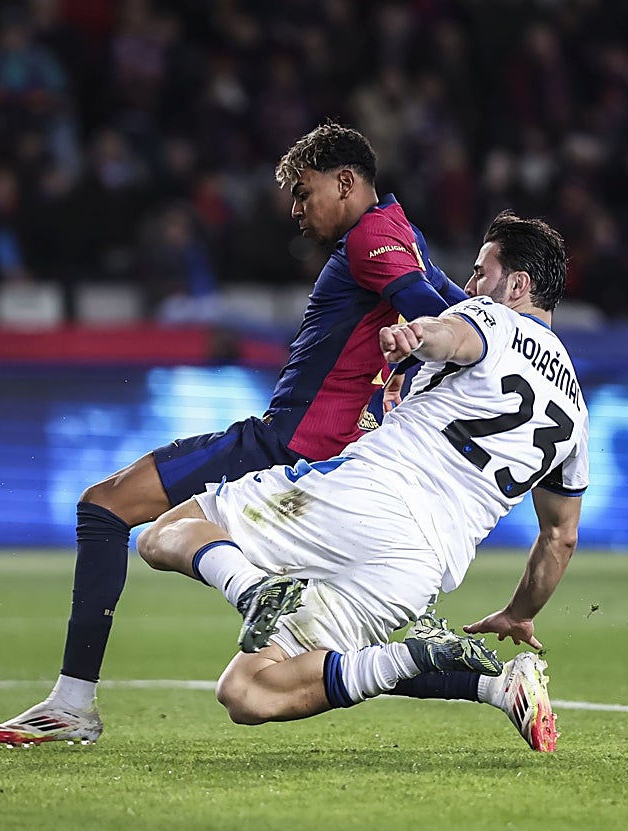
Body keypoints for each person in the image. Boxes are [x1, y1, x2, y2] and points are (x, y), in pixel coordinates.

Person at [0, 121, 468, 745]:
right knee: (302, 661)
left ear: (346, 182)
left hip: (290, 445)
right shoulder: (403, 232)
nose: (295, 209)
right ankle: (479, 680)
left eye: (304, 192)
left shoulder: (373, 237)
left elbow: (437, 320)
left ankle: (79, 700)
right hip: (335, 460)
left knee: (104, 509)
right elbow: (460, 318)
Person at [135, 211, 586, 752]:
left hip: (365, 498)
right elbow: (560, 537)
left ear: (518, 285)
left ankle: (252, 589)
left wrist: (417, 332)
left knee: (165, 533)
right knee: (249, 692)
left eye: (480, 272)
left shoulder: (492, 317)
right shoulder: (576, 414)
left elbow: (451, 335)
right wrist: (519, 614)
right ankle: (454, 670)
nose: (469, 286)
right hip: (419, 567)